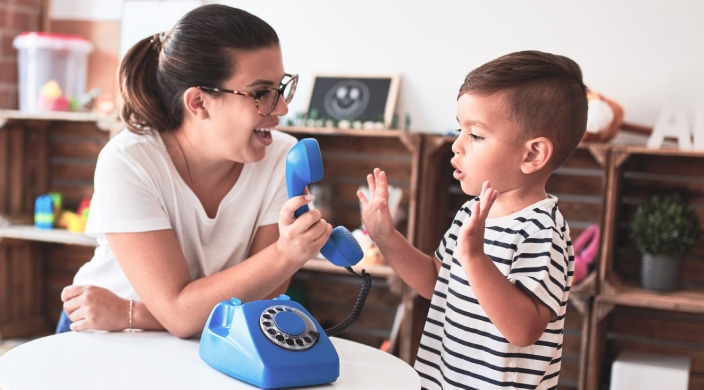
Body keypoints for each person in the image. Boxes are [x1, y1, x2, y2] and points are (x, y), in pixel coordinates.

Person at [57, 4, 332, 338]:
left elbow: (261, 305)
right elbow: (179, 316)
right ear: (199, 103)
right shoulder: (129, 162)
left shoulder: (282, 157)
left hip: (182, 333)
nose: (283, 108)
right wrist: (285, 254)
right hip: (106, 334)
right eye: (261, 93)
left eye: (280, 87)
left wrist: (137, 314)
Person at [357, 50, 587, 389]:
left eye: (475, 135)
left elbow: (523, 329)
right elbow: (437, 284)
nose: (457, 145)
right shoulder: (471, 212)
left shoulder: (542, 231)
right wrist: (386, 236)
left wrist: (476, 259)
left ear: (533, 154)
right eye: (458, 129)